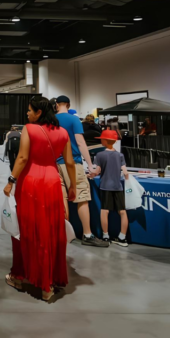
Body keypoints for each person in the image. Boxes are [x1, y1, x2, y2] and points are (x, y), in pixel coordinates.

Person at [3, 96, 73, 302]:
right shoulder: (63, 132)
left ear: (39, 112)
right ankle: (49, 283)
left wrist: (10, 180)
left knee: (25, 229)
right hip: (52, 181)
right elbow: (69, 162)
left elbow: (23, 158)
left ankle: (19, 276)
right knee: (50, 229)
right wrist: (72, 188)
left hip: (30, 182)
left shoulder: (29, 129)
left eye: (29, 110)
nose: (27, 113)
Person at [54, 96, 107, 248]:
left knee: (62, 199)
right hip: (73, 164)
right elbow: (80, 142)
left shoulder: (51, 120)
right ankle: (88, 234)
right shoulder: (74, 120)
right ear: (69, 105)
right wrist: (90, 164)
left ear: (56, 105)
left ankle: (63, 234)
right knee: (81, 197)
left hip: (55, 164)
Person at [90, 130, 130, 246]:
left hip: (105, 186)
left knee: (104, 210)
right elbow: (125, 172)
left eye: (101, 139)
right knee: (122, 211)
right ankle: (122, 238)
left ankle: (106, 236)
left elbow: (97, 172)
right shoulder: (120, 155)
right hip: (118, 186)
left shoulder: (100, 155)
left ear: (105, 141)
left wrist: (91, 174)